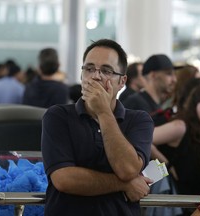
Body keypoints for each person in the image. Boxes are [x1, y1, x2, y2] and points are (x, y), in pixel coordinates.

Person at [41, 39, 154, 216]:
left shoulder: (139, 120)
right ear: (81, 75)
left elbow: (128, 169)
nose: (95, 76)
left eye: (106, 71)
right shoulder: (57, 116)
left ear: (122, 81)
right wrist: (123, 184)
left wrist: (104, 113)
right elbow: (64, 179)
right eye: (89, 68)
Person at [152, 85, 200, 215]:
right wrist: (166, 164)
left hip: (198, 200)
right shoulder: (180, 126)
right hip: (180, 202)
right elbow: (143, 140)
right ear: (195, 106)